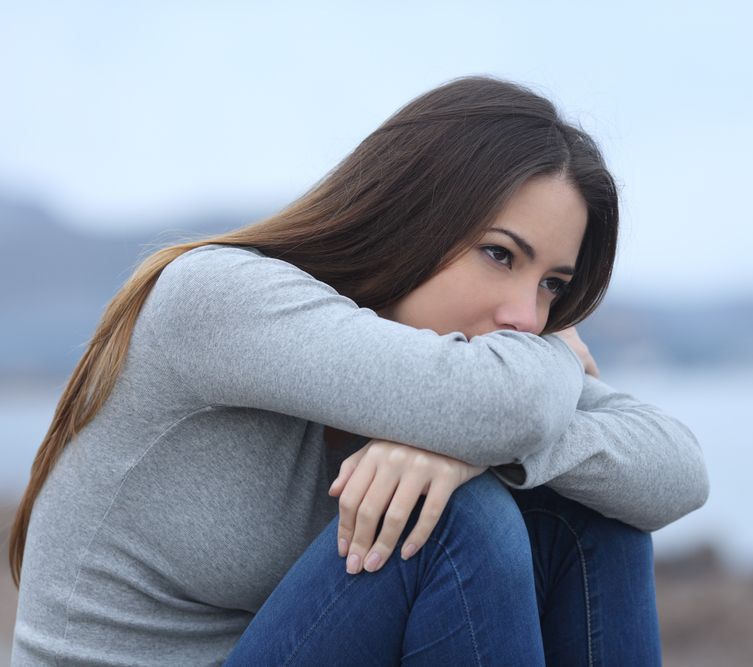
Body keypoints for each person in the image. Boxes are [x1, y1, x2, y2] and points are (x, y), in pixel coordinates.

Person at [9, 76, 710, 665]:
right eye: (501, 254)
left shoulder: (466, 367)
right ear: (412, 215)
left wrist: (482, 449)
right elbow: (510, 405)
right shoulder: (218, 299)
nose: (526, 315)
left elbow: (678, 473)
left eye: (553, 285)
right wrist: (550, 363)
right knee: (449, 520)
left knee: (592, 512)